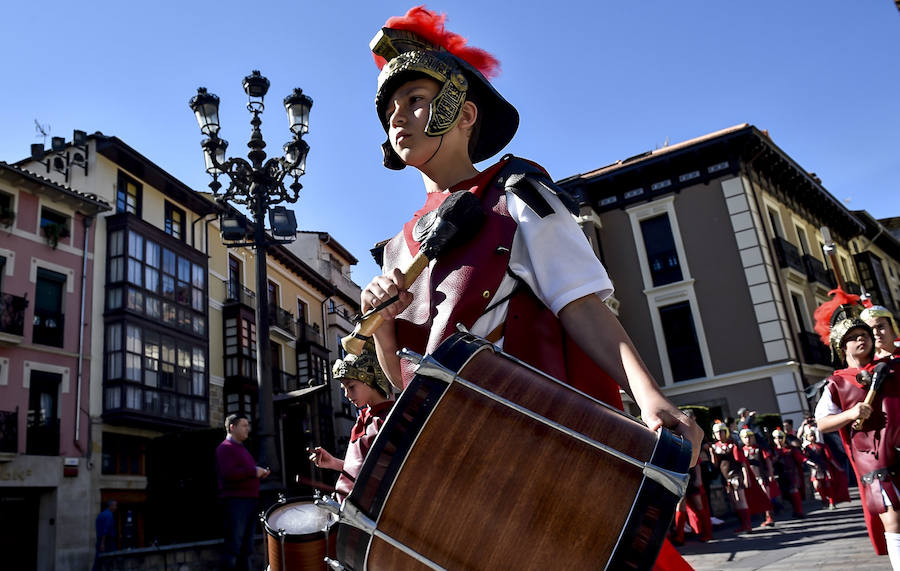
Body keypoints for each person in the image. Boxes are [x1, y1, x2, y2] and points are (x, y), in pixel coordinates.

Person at [359, 8, 701, 568]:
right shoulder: (395, 251)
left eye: (417, 99)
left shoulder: (517, 196)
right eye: (391, 109)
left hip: (544, 450)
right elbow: (404, 387)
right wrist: (381, 326)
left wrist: (649, 398)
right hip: (455, 471)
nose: (400, 117)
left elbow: (582, 306)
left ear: (463, 111)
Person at [813, 288, 900, 565]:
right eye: (852, 338)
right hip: (874, 459)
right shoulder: (836, 383)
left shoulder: (891, 367)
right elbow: (822, 422)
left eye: (863, 334)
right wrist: (850, 413)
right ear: (842, 348)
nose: (861, 338)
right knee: (894, 520)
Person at [309, 347, 393, 501]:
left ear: (369, 378)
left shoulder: (389, 419)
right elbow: (364, 469)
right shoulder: (364, 418)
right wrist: (335, 463)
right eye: (344, 389)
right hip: (346, 510)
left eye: (351, 386)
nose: (346, 395)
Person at [216, 413, 270, 571]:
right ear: (232, 427)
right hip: (236, 502)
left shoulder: (241, 449)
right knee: (235, 547)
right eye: (244, 425)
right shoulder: (225, 448)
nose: (248, 429)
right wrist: (254, 471)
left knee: (246, 548)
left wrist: (258, 473)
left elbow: (243, 472)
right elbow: (228, 474)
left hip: (248, 501)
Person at [710, 421, 754, 533]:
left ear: (726, 432)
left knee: (741, 500)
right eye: (717, 432)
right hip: (725, 479)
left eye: (721, 431)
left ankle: (748, 526)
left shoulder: (733, 445)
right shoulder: (715, 447)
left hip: (736, 476)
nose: (719, 434)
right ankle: (743, 525)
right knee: (735, 502)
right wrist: (712, 453)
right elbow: (715, 465)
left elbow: (742, 463)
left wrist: (745, 478)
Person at [800, 424, 848, 510]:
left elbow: (830, 457)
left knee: (828, 484)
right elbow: (805, 458)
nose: (812, 437)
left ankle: (831, 502)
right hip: (815, 469)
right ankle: (823, 500)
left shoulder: (822, 446)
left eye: (813, 435)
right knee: (817, 486)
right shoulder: (807, 448)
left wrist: (838, 467)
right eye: (810, 436)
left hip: (824, 467)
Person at [739, 428, 776, 526]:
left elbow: (768, 461)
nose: (748, 439)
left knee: (766, 497)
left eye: (750, 437)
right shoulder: (742, 450)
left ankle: (769, 517)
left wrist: (771, 474)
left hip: (761, 476)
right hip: (751, 478)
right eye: (745, 437)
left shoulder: (759, 448)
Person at [771, 427, 807, 518]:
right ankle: (794, 510)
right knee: (786, 495)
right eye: (775, 438)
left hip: (792, 474)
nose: (778, 440)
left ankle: (799, 512)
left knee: (794, 491)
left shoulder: (790, 449)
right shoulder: (773, 451)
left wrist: (810, 462)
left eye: (779, 437)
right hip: (780, 475)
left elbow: (801, 458)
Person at [92, 499, 117, 571]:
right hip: (107, 542)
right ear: (111, 506)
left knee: (98, 562)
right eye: (115, 505)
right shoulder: (109, 515)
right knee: (111, 561)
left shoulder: (101, 515)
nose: (116, 507)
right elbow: (106, 530)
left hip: (100, 541)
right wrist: (103, 543)